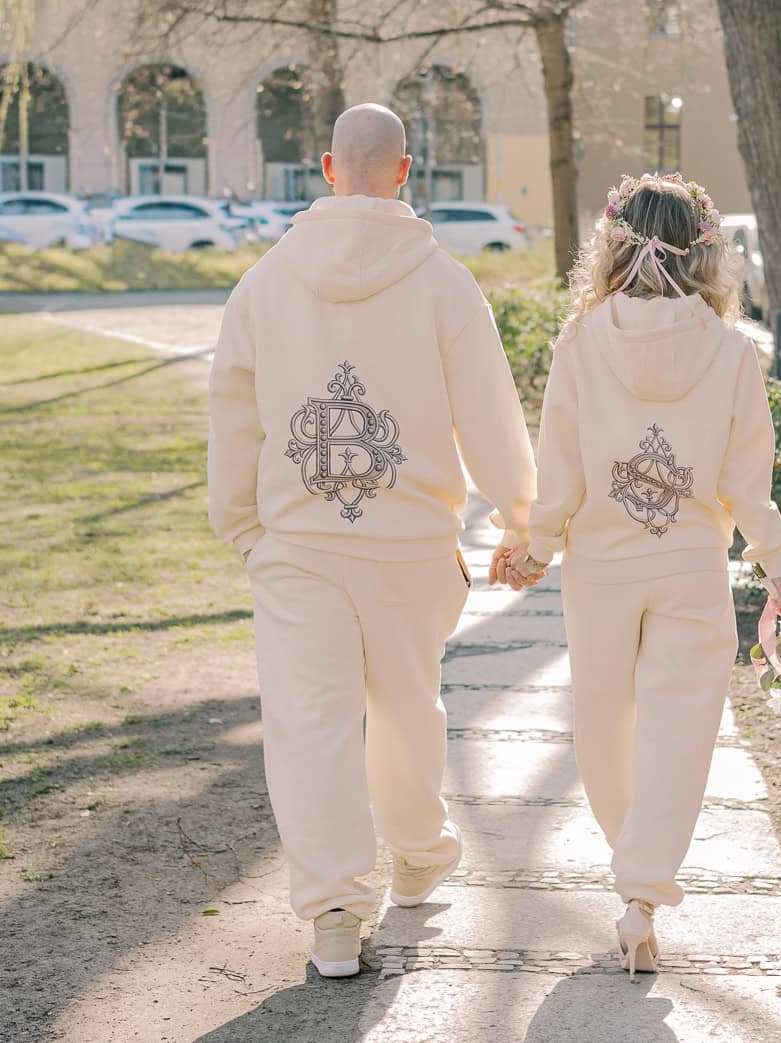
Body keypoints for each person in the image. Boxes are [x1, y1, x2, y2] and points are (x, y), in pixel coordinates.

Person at [208, 103, 536, 979]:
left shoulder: (264, 284)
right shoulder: (445, 285)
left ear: (325, 167)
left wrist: (240, 523)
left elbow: (233, 416)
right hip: (410, 539)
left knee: (309, 722)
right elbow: (490, 413)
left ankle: (335, 910)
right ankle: (420, 848)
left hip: (297, 540)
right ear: (405, 169)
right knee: (405, 703)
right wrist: (520, 513)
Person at [497, 172, 781, 979]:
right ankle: (641, 895)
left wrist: (539, 542)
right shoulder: (733, 351)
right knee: (679, 732)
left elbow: (558, 462)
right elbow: (749, 478)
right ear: (708, 254)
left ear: (613, 245)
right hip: (690, 565)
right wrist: (775, 566)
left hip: (601, 566)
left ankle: (631, 866)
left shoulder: (581, 339)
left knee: (604, 727)